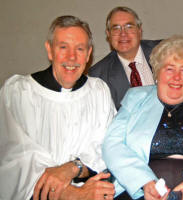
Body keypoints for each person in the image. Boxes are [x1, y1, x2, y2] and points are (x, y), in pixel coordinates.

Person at [102, 35, 183, 200]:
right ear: (157, 72)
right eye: (170, 69)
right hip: (144, 191)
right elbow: (112, 144)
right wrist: (144, 181)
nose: (177, 77)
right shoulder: (135, 99)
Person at [0, 15, 116, 200]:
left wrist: (72, 168)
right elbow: (14, 159)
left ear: (89, 54)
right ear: (50, 50)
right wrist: (73, 194)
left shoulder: (98, 91)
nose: (72, 57)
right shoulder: (18, 92)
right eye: (63, 47)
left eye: (80, 49)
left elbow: (107, 147)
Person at [88, 6, 183, 110]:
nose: (123, 34)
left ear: (139, 30)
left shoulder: (164, 50)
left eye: (129, 27)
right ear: (108, 34)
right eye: (116, 28)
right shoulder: (98, 75)